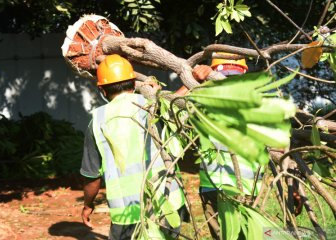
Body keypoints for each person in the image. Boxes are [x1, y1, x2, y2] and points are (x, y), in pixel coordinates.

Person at [80, 54, 188, 240]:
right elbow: (178, 101)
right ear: (133, 82)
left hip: (127, 213)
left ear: (102, 89)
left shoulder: (98, 121)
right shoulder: (154, 105)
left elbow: (92, 176)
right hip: (167, 204)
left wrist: (88, 204)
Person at [177, 52, 264, 239]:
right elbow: (170, 109)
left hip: (227, 188)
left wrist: (191, 83)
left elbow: (172, 105)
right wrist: (192, 81)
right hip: (228, 188)